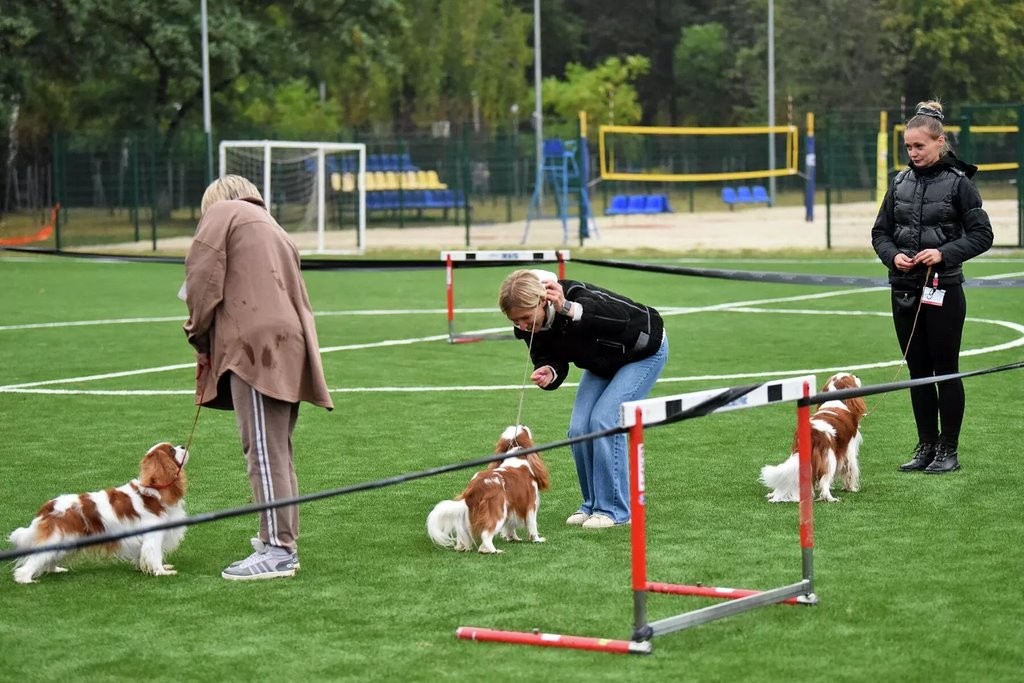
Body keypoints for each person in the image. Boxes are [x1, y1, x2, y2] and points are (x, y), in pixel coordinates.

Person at [183, 175, 334, 580]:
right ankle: (277, 536)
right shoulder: (275, 227)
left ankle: (279, 549)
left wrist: (197, 333)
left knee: (263, 452)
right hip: (289, 342)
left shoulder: (223, 213)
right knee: (276, 449)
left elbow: (201, 278)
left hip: (256, 344)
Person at [870, 100, 993, 475]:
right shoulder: (900, 182)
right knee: (918, 371)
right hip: (904, 290)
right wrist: (893, 257)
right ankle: (925, 445)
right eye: (908, 147)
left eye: (919, 146)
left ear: (939, 143)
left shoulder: (960, 184)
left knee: (945, 370)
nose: (912, 153)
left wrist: (942, 254)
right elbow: (880, 233)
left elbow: (982, 235)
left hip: (944, 290)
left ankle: (948, 450)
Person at [498, 269, 668, 528]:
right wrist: (550, 371)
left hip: (642, 350)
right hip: (602, 362)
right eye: (515, 321)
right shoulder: (526, 328)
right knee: (578, 428)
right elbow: (548, 356)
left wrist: (568, 308)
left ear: (543, 301)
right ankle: (591, 505)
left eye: (524, 317)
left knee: (604, 420)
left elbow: (619, 321)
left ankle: (614, 511)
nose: (521, 326)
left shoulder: (577, 295)